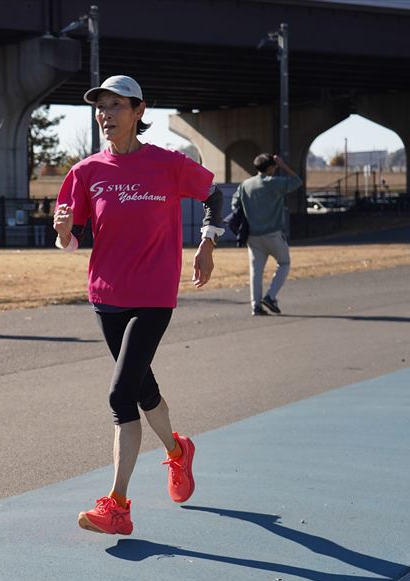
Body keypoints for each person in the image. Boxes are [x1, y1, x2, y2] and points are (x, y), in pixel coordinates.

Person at [53, 75, 224, 536]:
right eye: (100, 107)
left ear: (138, 110)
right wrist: (64, 233)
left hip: (153, 295)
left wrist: (207, 243)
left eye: (115, 106)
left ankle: (118, 505)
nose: (105, 115)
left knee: (119, 395)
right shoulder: (86, 171)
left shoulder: (167, 164)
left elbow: (214, 195)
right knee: (143, 390)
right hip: (106, 296)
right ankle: (178, 451)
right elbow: (73, 240)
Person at [231, 153, 302, 315]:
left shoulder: (245, 185)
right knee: (284, 263)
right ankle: (270, 296)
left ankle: (255, 306)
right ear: (270, 167)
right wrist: (283, 165)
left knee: (256, 271)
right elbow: (297, 181)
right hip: (273, 233)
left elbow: (235, 204)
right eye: (274, 166)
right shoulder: (275, 183)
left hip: (252, 235)